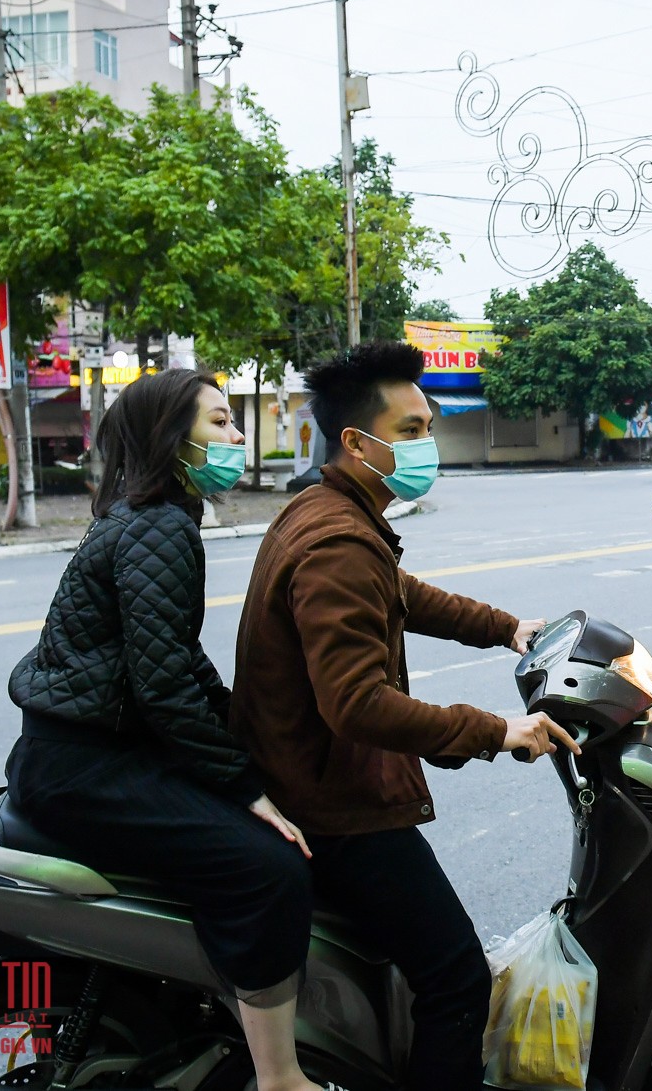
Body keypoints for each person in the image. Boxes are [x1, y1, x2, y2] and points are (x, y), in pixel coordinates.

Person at [232, 342, 576, 1091]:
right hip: (332, 804)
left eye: (427, 426)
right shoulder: (337, 539)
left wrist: (506, 626)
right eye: (412, 430)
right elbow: (356, 702)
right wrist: (496, 731)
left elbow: (403, 593)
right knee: (456, 977)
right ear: (359, 442)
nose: (428, 445)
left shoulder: (329, 510)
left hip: (307, 779)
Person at [3, 369, 325, 1091]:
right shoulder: (158, 526)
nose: (237, 438)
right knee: (269, 866)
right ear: (172, 439)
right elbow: (165, 686)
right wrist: (246, 785)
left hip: (80, 753)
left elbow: (176, 659)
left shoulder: (147, 515)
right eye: (219, 424)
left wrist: (248, 732)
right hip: (84, 766)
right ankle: (281, 1077)